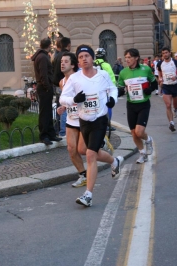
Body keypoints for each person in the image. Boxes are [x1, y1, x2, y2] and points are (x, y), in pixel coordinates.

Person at [60, 44, 124, 207]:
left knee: (89, 154)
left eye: (86, 56)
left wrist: (112, 99)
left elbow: (113, 89)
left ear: (92, 58)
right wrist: (74, 100)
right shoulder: (75, 79)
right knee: (88, 151)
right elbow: (63, 98)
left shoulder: (102, 75)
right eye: (80, 57)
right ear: (78, 62)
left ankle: (88, 195)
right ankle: (114, 161)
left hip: (100, 120)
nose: (83, 59)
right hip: (84, 121)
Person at [118, 48, 157, 163]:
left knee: (139, 132)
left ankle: (148, 139)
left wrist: (149, 89)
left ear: (136, 58)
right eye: (126, 57)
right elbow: (120, 87)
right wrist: (119, 92)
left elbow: (154, 83)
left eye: (129, 57)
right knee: (134, 133)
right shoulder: (123, 72)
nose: (127, 59)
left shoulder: (146, 69)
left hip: (143, 104)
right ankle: (142, 154)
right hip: (131, 105)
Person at [56, 52, 88, 187]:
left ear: (73, 65)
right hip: (71, 119)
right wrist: (62, 107)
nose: (62, 64)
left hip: (85, 118)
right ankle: (83, 175)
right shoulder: (62, 82)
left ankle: (110, 159)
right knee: (71, 148)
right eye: (61, 62)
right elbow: (66, 98)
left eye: (66, 61)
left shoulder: (81, 78)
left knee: (84, 150)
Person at [32, 38, 62, 145]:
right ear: (49, 46)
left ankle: (51, 134)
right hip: (44, 88)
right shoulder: (43, 57)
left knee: (48, 111)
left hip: (45, 87)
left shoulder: (42, 56)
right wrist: (48, 87)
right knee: (45, 112)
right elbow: (43, 74)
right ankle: (44, 135)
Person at [157, 47, 177, 132]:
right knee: (168, 105)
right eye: (163, 53)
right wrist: (160, 78)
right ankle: (171, 122)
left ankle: (176, 109)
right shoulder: (160, 63)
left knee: (175, 104)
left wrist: (176, 76)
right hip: (166, 86)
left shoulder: (176, 62)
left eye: (166, 52)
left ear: (169, 53)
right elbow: (159, 71)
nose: (165, 54)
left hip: (175, 85)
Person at [52, 37, 72, 138]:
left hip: (56, 85)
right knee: (65, 108)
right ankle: (63, 132)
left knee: (59, 108)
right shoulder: (67, 56)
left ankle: (58, 129)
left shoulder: (56, 56)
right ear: (68, 45)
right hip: (64, 84)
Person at [94, 47, 117, 131]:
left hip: (95, 90)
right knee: (108, 107)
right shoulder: (106, 65)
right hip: (105, 90)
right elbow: (112, 78)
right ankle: (107, 124)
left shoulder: (92, 64)